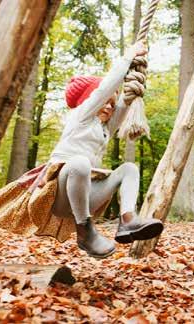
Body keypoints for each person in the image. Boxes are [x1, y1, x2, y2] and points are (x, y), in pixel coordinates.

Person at [48, 40, 163, 259]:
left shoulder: (103, 129)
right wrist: (128, 57)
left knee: (129, 168)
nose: (109, 106)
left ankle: (128, 220)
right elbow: (104, 89)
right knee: (80, 162)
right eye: (105, 102)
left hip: (85, 195)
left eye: (112, 103)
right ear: (89, 102)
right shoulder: (81, 116)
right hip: (61, 193)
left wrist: (133, 86)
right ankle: (84, 231)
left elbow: (121, 106)